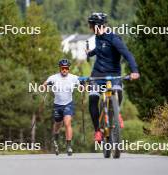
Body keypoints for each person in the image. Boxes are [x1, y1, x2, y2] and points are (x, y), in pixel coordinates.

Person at [85, 12, 140, 142]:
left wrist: (134, 71)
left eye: (91, 26)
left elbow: (127, 54)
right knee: (93, 98)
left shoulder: (114, 39)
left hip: (113, 74)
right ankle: (97, 130)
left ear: (97, 26)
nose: (90, 28)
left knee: (118, 91)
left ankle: (116, 113)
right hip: (97, 74)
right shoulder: (98, 37)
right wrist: (90, 53)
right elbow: (100, 50)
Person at [43, 59, 80, 156]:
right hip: (57, 105)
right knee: (58, 124)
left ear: (69, 69)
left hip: (68, 104)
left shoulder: (74, 77)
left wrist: (83, 86)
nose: (64, 70)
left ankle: (69, 146)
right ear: (60, 68)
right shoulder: (53, 78)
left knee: (67, 123)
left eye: (66, 68)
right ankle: (55, 138)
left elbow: (81, 85)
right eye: (63, 68)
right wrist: (45, 86)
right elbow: (44, 85)